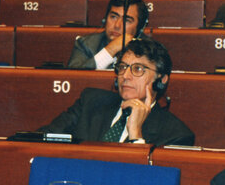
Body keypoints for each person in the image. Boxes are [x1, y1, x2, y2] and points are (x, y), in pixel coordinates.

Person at [42, 39, 194, 146]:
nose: (125, 76)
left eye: (138, 69)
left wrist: (135, 135)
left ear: (161, 79)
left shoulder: (176, 134)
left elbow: (149, 183)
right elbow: (42, 139)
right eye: (122, 67)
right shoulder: (90, 102)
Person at [68, 0, 148, 70]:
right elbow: (73, 79)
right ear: (105, 19)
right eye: (113, 17)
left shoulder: (149, 49)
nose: (117, 25)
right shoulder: (86, 44)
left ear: (139, 27)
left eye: (126, 20)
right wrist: (110, 50)